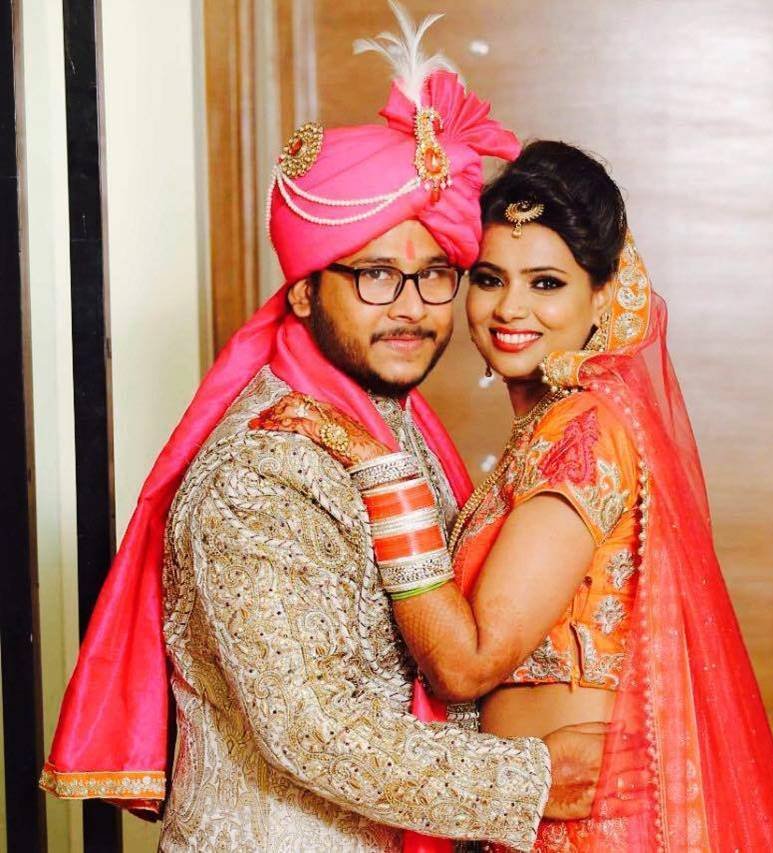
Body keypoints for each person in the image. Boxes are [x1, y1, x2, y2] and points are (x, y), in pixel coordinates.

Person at [38, 9, 626, 851]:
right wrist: (534, 775)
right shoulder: (263, 467)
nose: (412, 308)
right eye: (376, 274)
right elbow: (317, 728)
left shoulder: (388, 422)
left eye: (436, 274)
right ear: (307, 288)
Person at [281, 141, 773, 850]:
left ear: (604, 294)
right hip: (533, 818)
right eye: (490, 278)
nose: (511, 308)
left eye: (547, 283)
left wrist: (381, 474)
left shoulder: (583, 431)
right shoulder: (549, 428)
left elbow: (466, 662)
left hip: (589, 827)